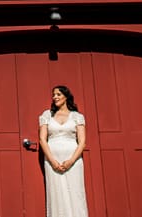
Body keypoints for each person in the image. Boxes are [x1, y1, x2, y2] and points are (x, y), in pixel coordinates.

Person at [38, 85, 89, 217]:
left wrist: (71, 161)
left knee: (75, 191)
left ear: (66, 97)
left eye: (58, 94)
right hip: (52, 160)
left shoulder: (77, 116)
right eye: (53, 95)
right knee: (56, 192)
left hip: (73, 160)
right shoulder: (47, 115)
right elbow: (42, 140)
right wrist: (53, 161)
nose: (55, 97)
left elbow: (82, 142)